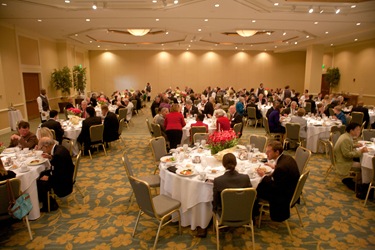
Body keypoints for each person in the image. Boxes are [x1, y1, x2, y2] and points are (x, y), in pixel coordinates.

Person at [256, 141, 300, 222]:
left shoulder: (281, 168)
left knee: (255, 189)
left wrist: (263, 176)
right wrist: (274, 167)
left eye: (269, 151)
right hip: (291, 189)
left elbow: (274, 186)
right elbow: (283, 172)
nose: (266, 153)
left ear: (277, 152)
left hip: (283, 196)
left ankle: (254, 212)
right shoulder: (287, 158)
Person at [37, 137, 75, 212]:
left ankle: (50, 205)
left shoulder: (58, 155)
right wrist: (51, 157)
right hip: (67, 174)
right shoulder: (59, 148)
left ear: (46, 146)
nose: (42, 150)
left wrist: (48, 178)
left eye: (41, 148)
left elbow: (59, 174)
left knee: (39, 182)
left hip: (64, 181)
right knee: (42, 174)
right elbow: (60, 166)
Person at [334, 123, 368, 190]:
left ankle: (357, 180)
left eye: (359, 130)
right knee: (364, 165)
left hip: (340, 157)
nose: (359, 131)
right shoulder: (346, 139)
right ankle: (362, 183)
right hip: (342, 161)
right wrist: (360, 151)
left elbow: (347, 146)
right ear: (351, 130)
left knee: (360, 159)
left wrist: (355, 145)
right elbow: (347, 155)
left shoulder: (346, 136)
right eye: (357, 130)